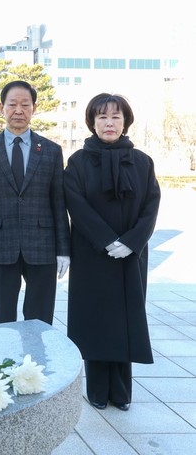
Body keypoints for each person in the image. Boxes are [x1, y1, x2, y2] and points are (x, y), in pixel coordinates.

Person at [64, 93, 160, 411]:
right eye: (102, 117)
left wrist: (131, 242)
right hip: (92, 254)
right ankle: (96, 389)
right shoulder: (78, 161)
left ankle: (121, 391)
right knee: (95, 319)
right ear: (92, 122)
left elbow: (151, 206)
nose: (109, 123)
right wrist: (106, 239)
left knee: (125, 320)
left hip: (130, 256)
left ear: (125, 122)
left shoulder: (142, 162)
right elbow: (76, 203)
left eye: (116, 117)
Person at [0, 80, 70, 324]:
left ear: (34, 108)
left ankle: (36, 351)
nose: (18, 110)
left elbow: (59, 203)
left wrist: (64, 251)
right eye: (12, 104)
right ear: (1, 108)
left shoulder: (51, 151)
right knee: (3, 320)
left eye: (25, 104)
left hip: (42, 246)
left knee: (40, 320)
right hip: (0, 245)